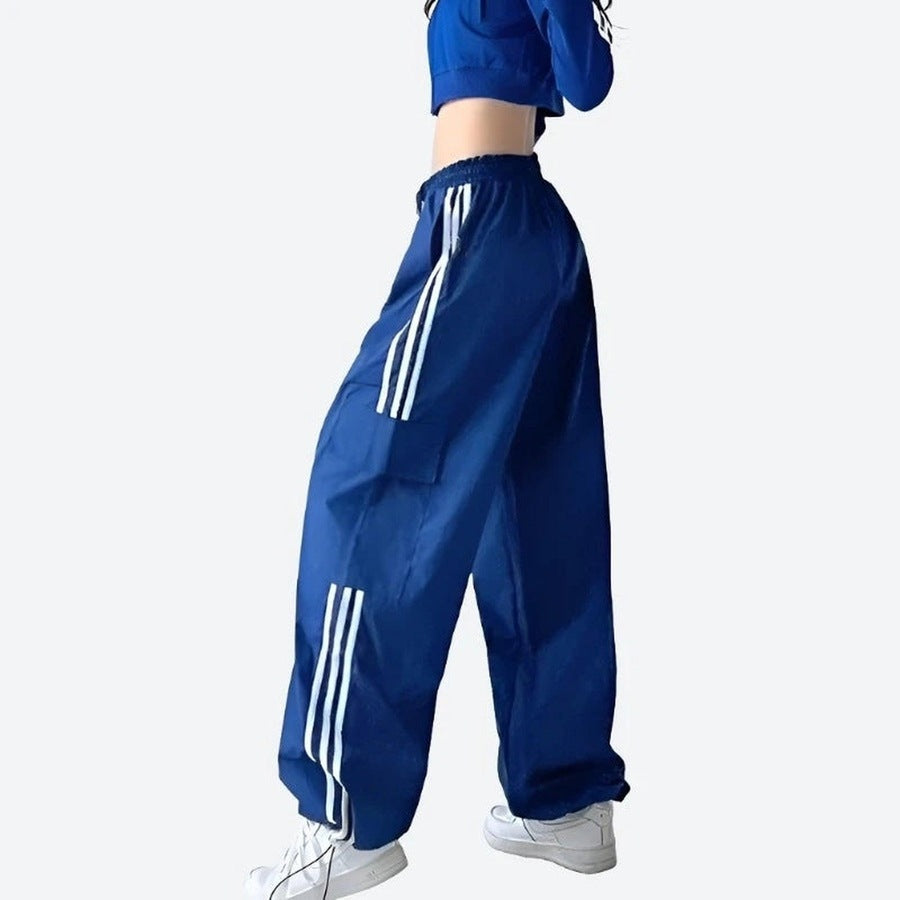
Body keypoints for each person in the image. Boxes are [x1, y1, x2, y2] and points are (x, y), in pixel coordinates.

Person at [245, 2, 628, 897]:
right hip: (516, 225)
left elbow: (589, 82)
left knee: (366, 484)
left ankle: (348, 821)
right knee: (539, 515)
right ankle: (566, 802)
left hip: (483, 214)